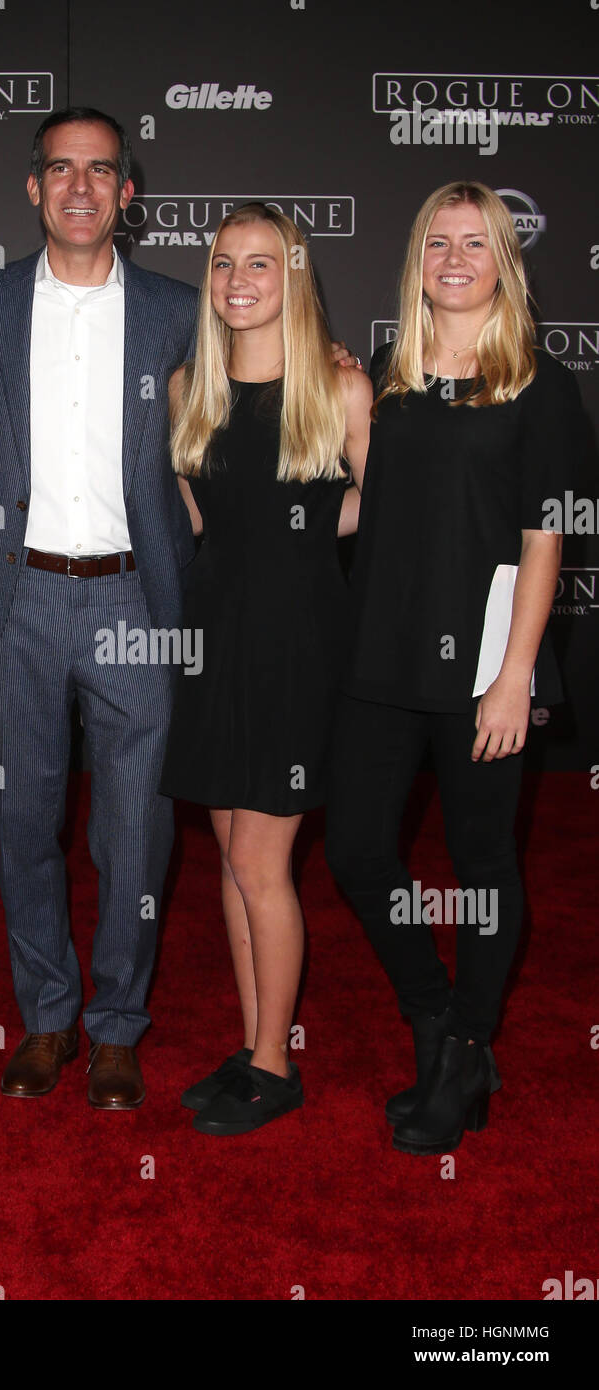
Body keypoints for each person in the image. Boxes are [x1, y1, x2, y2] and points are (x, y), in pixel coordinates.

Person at [0, 109, 360, 1109]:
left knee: (137, 830)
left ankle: (119, 1026)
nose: (81, 187)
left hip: (143, 597)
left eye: (102, 171)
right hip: (19, 597)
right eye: (62, 170)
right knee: (27, 820)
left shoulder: (185, 312)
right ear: (33, 188)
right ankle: (47, 1018)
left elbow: (278, 371)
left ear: (128, 194)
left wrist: (344, 381)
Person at [324, 181, 586, 1155]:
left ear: (504, 261)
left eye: (476, 242)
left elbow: (548, 531)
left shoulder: (539, 383)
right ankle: (437, 1020)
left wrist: (519, 670)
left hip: (484, 662)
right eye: (440, 240)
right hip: (380, 651)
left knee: (481, 865)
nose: (455, 257)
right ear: (418, 257)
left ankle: (469, 1045)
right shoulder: (388, 373)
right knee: (355, 848)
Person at [160, 204, 371, 1135]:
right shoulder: (188, 391)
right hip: (211, 637)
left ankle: (277, 1065)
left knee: (260, 858)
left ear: (295, 275)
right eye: (222, 264)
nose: (238, 280)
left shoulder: (337, 387)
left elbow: (387, 505)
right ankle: (253, 1043)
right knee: (228, 855)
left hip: (296, 643)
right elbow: (195, 521)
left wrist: (310, 536)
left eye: (261, 263)